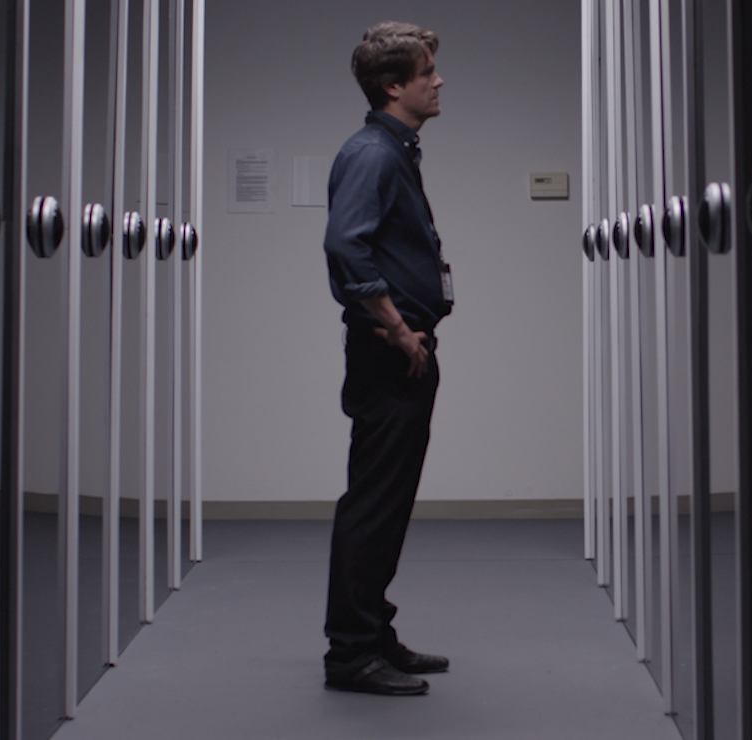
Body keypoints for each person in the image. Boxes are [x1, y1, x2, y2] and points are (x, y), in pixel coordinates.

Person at [319, 20, 453, 696]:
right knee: (374, 502)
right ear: (392, 84)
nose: (438, 80)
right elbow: (347, 246)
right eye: (427, 71)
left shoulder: (396, 148)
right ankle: (350, 654)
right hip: (387, 353)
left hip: (403, 349)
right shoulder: (373, 152)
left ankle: (372, 634)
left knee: (388, 501)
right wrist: (398, 329)